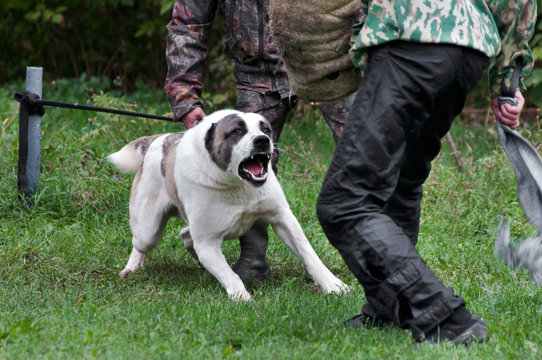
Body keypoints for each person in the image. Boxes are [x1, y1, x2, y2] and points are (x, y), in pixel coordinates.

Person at [315, 1, 536, 345]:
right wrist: (507, 81)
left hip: (410, 38)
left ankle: (444, 316)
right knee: (401, 181)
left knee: (345, 201)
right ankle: (388, 308)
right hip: (469, 48)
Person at [164, 0, 354, 280]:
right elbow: (187, 25)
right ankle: (253, 258)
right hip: (257, 73)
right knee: (246, 160)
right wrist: (185, 97)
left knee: (364, 153)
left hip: (329, 64)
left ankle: (382, 253)